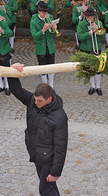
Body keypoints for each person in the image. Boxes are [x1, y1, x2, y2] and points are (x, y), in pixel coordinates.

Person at [8, 63, 68, 196]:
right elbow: (16, 89)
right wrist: (12, 70)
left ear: (50, 99)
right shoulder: (32, 102)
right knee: (49, 188)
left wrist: (55, 172)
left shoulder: (59, 117)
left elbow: (61, 146)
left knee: (45, 190)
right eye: (35, 100)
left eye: (39, 101)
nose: (36, 103)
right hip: (36, 154)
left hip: (48, 160)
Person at [77, 7, 105, 95]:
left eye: (91, 16)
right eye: (88, 16)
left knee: (99, 68)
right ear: (85, 16)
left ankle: (98, 87)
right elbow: (80, 37)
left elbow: (102, 37)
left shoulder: (99, 23)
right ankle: (92, 86)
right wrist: (89, 33)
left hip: (97, 48)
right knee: (90, 68)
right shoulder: (81, 24)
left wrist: (97, 30)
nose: (90, 18)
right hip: (86, 48)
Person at [30, 2, 57, 87]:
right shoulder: (33, 21)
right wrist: (43, 30)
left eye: (45, 11)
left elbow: (53, 34)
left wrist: (54, 29)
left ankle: (51, 85)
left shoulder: (50, 17)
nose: (44, 13)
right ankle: (45, 85)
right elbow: (34, 37)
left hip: (50, 46)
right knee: (42, 68)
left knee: (51, 67)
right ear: (38, 11)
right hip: (41, 48)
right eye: (42, 11)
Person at [0, 14, 13, 95]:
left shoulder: (2, 20)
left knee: (6, 67)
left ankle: (7, 85)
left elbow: (10, 33)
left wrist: (3, 31)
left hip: (3, 50)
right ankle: (1, 85)